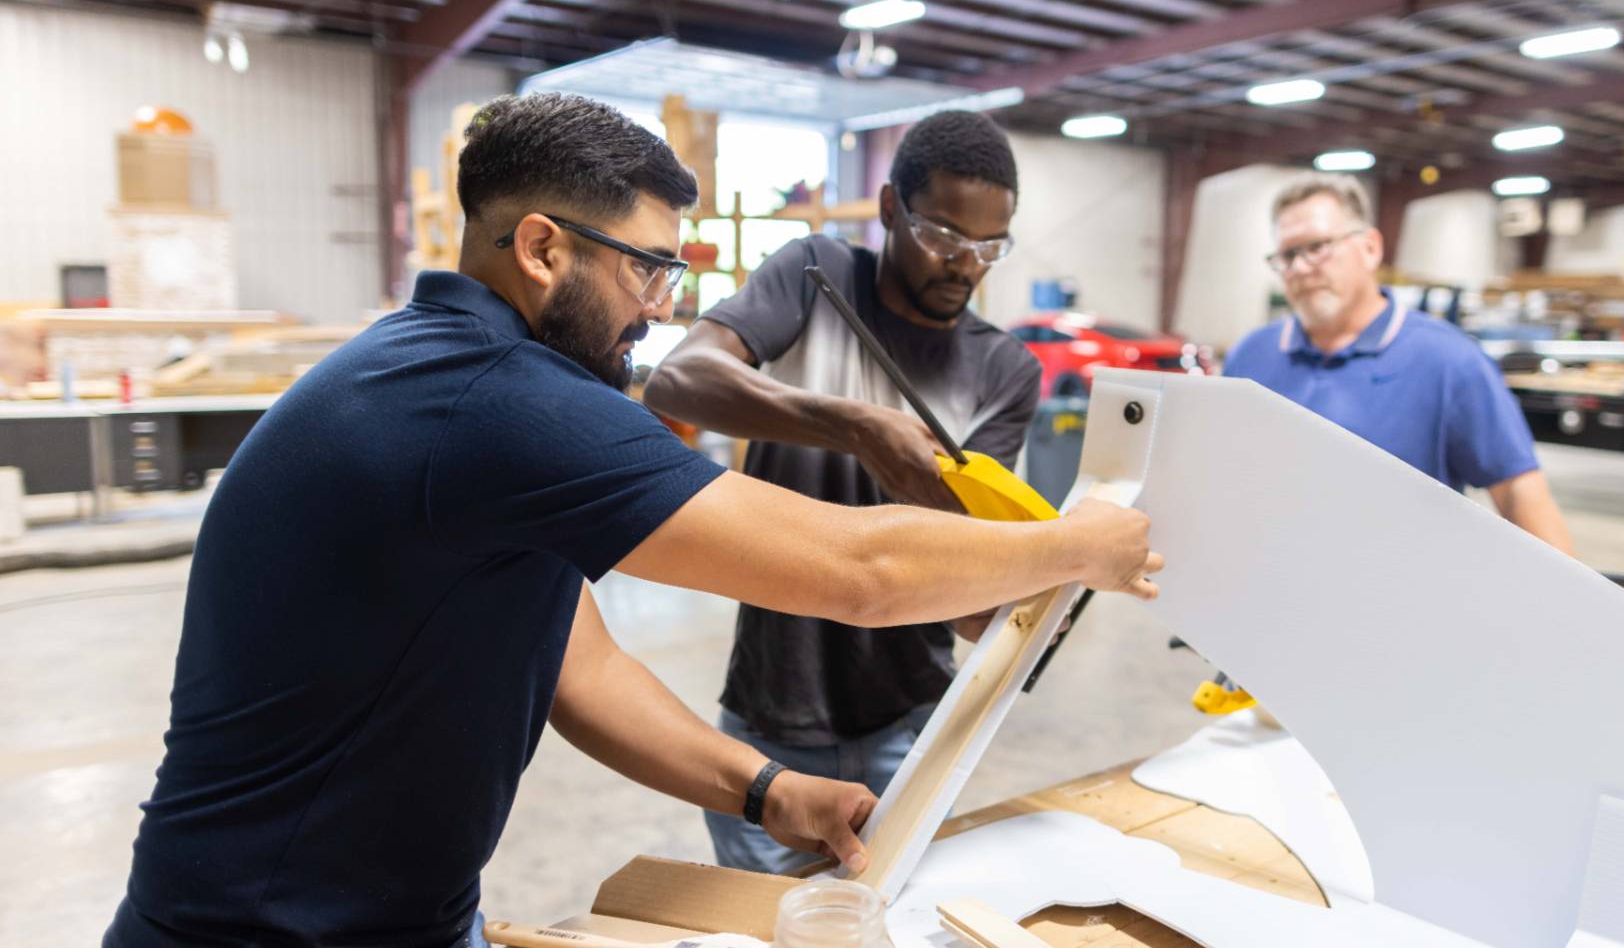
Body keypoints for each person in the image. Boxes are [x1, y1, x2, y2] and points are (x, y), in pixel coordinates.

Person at [103, 95, 1162, 948]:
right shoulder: (497, 398)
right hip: (259, 927)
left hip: (376, 913)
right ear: (540, 248)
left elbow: (578, 665)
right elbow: (856, 570)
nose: (660, 303)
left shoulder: (426, 373)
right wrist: (1079, 543)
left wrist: (765, 790)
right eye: (647, 267)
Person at [644, 110, 1041, 874]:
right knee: (763, 926)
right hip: (770, 711)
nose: (964, 265)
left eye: (988, 247)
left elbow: (968, 589)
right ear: (891, 209)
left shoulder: (1003, 372)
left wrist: (1020, 580)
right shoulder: (815, 276)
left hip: (910, 718)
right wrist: (854, 427)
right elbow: (679, 378)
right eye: (943, 238)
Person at [1224, 173, 1572, 552]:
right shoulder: (1251, 358)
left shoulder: (1449, 361)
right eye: (1288, 255)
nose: (1302, 268)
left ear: (1370, 247)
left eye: (1318, 246)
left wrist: (1575, 608)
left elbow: (1518, 493)